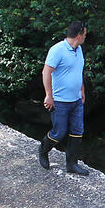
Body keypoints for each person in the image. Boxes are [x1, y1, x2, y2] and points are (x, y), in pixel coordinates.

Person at [38, 21, 90, 175]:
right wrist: (49, 95)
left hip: (76, 101)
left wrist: (82, 90)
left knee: (77, 131)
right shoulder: (57, 50)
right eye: (85, 34)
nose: (86, 37)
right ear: (79, 35)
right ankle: (43, 150)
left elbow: (78, 71)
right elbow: (46, 72)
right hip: (60, 100)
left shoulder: (79, 50)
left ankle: (72, 164)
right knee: (59, 132)